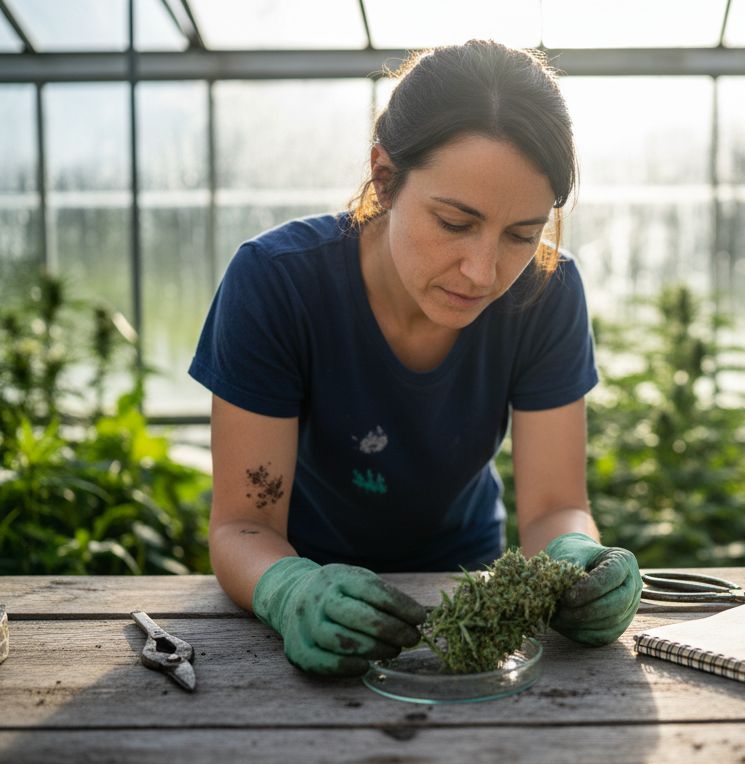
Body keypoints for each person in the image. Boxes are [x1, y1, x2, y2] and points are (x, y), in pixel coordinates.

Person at [190, 42, 641, 676]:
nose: (482, 273)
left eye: (521, 234)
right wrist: (290, 591)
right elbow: (241, 524)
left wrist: (574, 556)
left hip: (465, 581)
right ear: (383, 176)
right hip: (304, 573)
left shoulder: (548, 291)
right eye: (455, 222)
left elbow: (552, 506)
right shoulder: (275, 283)